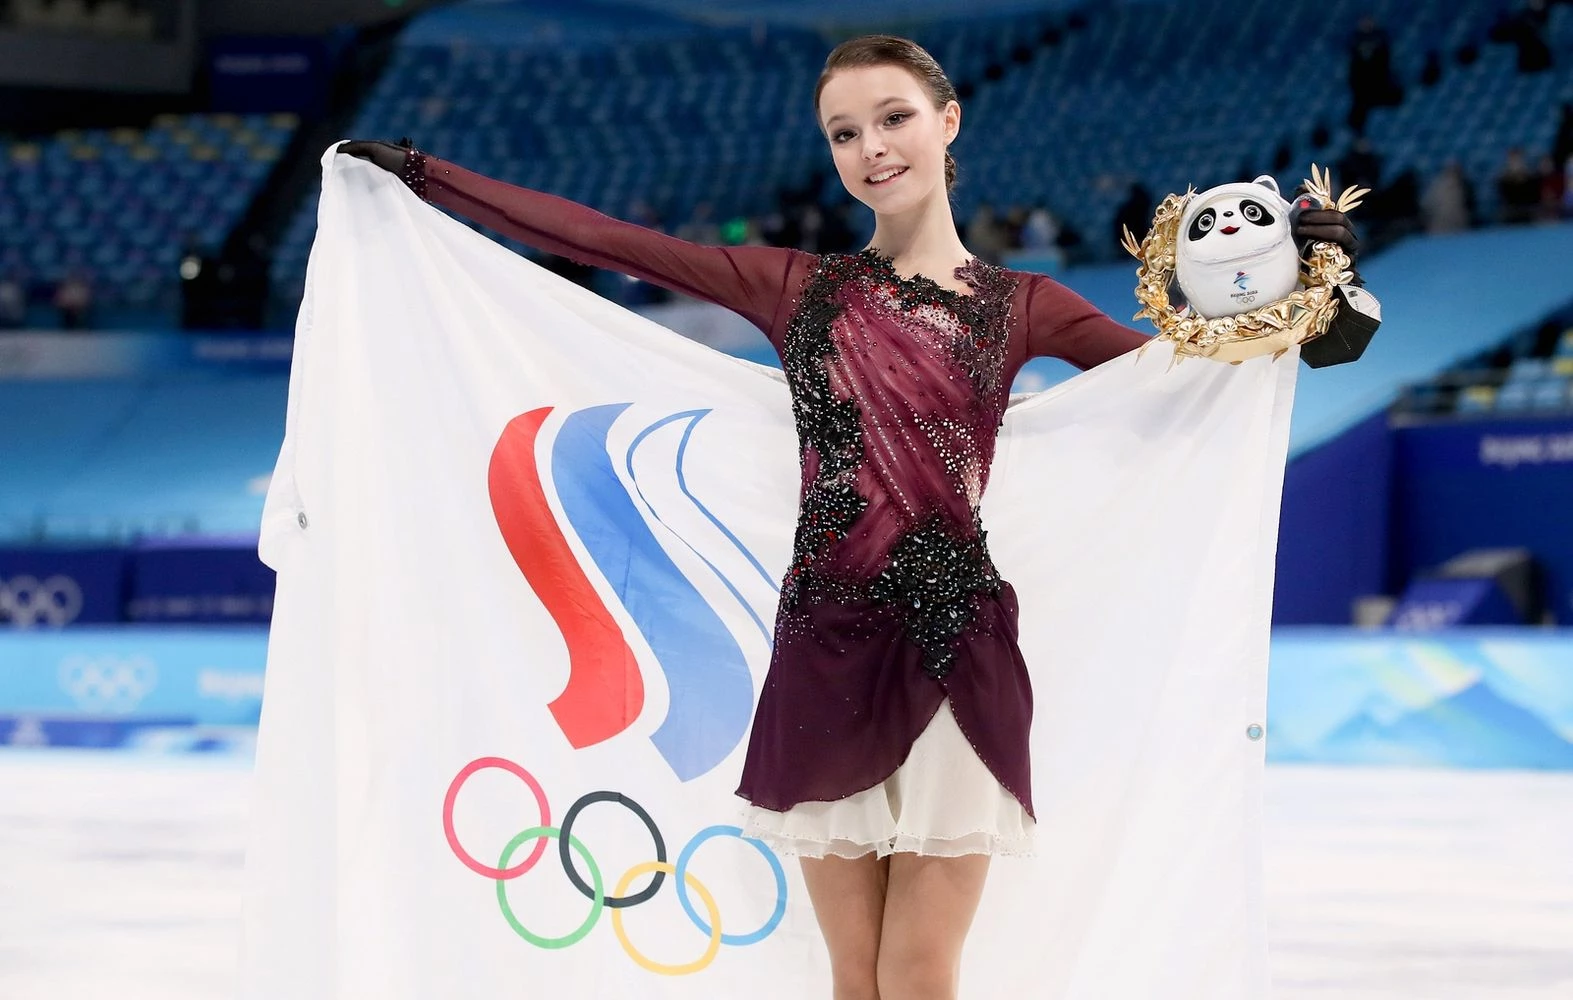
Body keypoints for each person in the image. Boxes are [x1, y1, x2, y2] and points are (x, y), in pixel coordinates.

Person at [341, 34, 1359, 1000]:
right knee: (856, 983)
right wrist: (426, 180)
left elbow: (1184, 381)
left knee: (916, 978)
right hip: (824, 650)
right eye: (843, 132)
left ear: (947, 120)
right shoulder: (795, 288)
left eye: (892, 117)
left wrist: (1319, 295)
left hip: (958, 648)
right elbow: (606, 240)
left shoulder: (1021, 304)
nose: (871, 148)